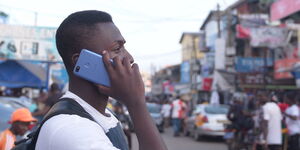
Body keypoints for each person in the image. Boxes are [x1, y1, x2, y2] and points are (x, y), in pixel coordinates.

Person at [35, 10, 167, 150]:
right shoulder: (72, 129)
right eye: (117, 48)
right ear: (82, 61)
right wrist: (136, 103)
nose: (129, 57)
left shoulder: (104, 114)